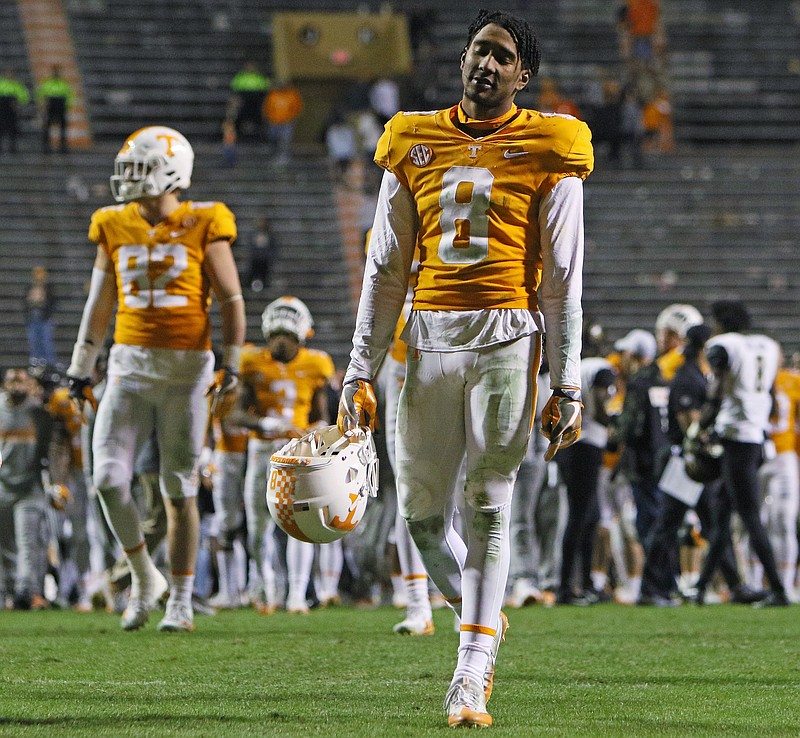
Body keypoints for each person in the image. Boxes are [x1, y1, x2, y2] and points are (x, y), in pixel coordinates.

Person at [337, 9, 593, 727]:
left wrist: (566, 381)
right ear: (464, 57)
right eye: (480, 49)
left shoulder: (553, 143)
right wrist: (357, 370)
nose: (486, 62)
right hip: (425, 338)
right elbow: (385, 270)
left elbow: (563, 275)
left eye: (502, 56)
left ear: (523, 75)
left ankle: (470, 672)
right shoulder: (412, 138)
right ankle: (481, 617)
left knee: (487, 500)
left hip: (509, 335)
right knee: (420, 518)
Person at [65, 125, 246, 632]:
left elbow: (231, 297)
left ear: (173, 173)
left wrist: (230, 361)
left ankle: (182, 598)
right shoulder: (112, 222)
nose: (128, 178)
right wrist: (81, 367)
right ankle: (146, 577)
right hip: (128, 364)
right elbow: (100, 301)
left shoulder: (205, 219)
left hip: (187, 369)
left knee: (178, 485)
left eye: (139, 168)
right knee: (107, 478)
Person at [228, 296, 336, 614]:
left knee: (300, 524)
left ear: (300, 336)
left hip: (298, 455)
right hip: (263, 449)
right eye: (275, 335)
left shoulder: (316, 364)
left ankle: (297, 595)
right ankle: (268, 588)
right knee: (259, 525)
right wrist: (271, 424)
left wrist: (314, 435)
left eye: (287, 336)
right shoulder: (252, 362)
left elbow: (321, 415)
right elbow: (235, 416)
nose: (280, 342)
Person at [691, 300, 789, 607]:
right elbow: (772, 397)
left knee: (747, 514)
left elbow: (716, 394)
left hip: (736, 439)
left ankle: (778, 589)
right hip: (756, 438)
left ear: (721, 322)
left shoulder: (724, 345)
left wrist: (697, 430)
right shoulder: (768, 346)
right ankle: (700, 587)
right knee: (722, 515)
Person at [0, 367, 70, 609]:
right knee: (5, 543)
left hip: (30, 487)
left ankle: (25, 592)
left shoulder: (41, 413)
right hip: (2, 485)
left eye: (21, 379)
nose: (16, 384)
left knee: (28, 541)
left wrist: (55, 482)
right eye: (12, 379)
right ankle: (10, 592)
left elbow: (54, 448)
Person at [263, 79, 303, 165]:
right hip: (274, 121)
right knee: (273, 138)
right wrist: (269, 118)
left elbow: (297, 108)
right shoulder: (273, 94)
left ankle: (284, 156)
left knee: (285, 140)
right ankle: (274, 155)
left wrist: (292, 119)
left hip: (287, 122)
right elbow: (267, 107)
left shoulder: (293, 95)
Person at [25, 266, 58, 366]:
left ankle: (50, 364)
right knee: (34, 342)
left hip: (44, 319)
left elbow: (53, 302)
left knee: (46, 342)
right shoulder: (30, 287)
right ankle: (35, 363)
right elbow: (24, 302)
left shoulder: (48, 288)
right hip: (32, 319)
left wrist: (43, 301)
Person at [36, 65, 74, 153]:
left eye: (58, 71)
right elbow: (40, 94)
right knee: (47, 125)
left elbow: (70, 95)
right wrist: (42, 104)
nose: (56, 73)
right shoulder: (47, 83)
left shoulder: (64, 83)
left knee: (63, 126)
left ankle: (63, 146)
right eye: (55, 71)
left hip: (61, 104)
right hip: (50, 104)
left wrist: (68, 105)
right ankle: (46, 145)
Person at [229, 62, 270, 141]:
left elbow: (265, 88)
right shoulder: (240, 77)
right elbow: (234, 88)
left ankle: (260, 136)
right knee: (240, 117)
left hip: (256, 101)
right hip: (244, 101)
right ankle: (238, 134)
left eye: (252, 67)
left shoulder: (259, 77)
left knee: (258, 117)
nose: (250, 68)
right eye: (248, 67)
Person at [0, 69, 30, 154]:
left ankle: (12, 148)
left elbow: (24, 97)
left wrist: (17, 102)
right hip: (1, 110)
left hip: (12, 110)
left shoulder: (17, 85)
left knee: (12, 128)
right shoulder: (1, 83)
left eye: (11, 73)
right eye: (7, 73)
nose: (9, 75)